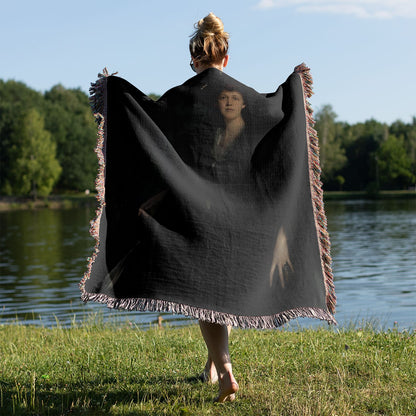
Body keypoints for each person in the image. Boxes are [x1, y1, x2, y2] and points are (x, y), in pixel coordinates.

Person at [189, 12, 240, 403]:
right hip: (237, 205)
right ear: (225, 58)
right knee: (223, 287)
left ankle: (224, 369)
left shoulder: (182, 97)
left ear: (194, 60)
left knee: (205, 293)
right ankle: (211, 365)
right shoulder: (241, 96)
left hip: (198, 205)